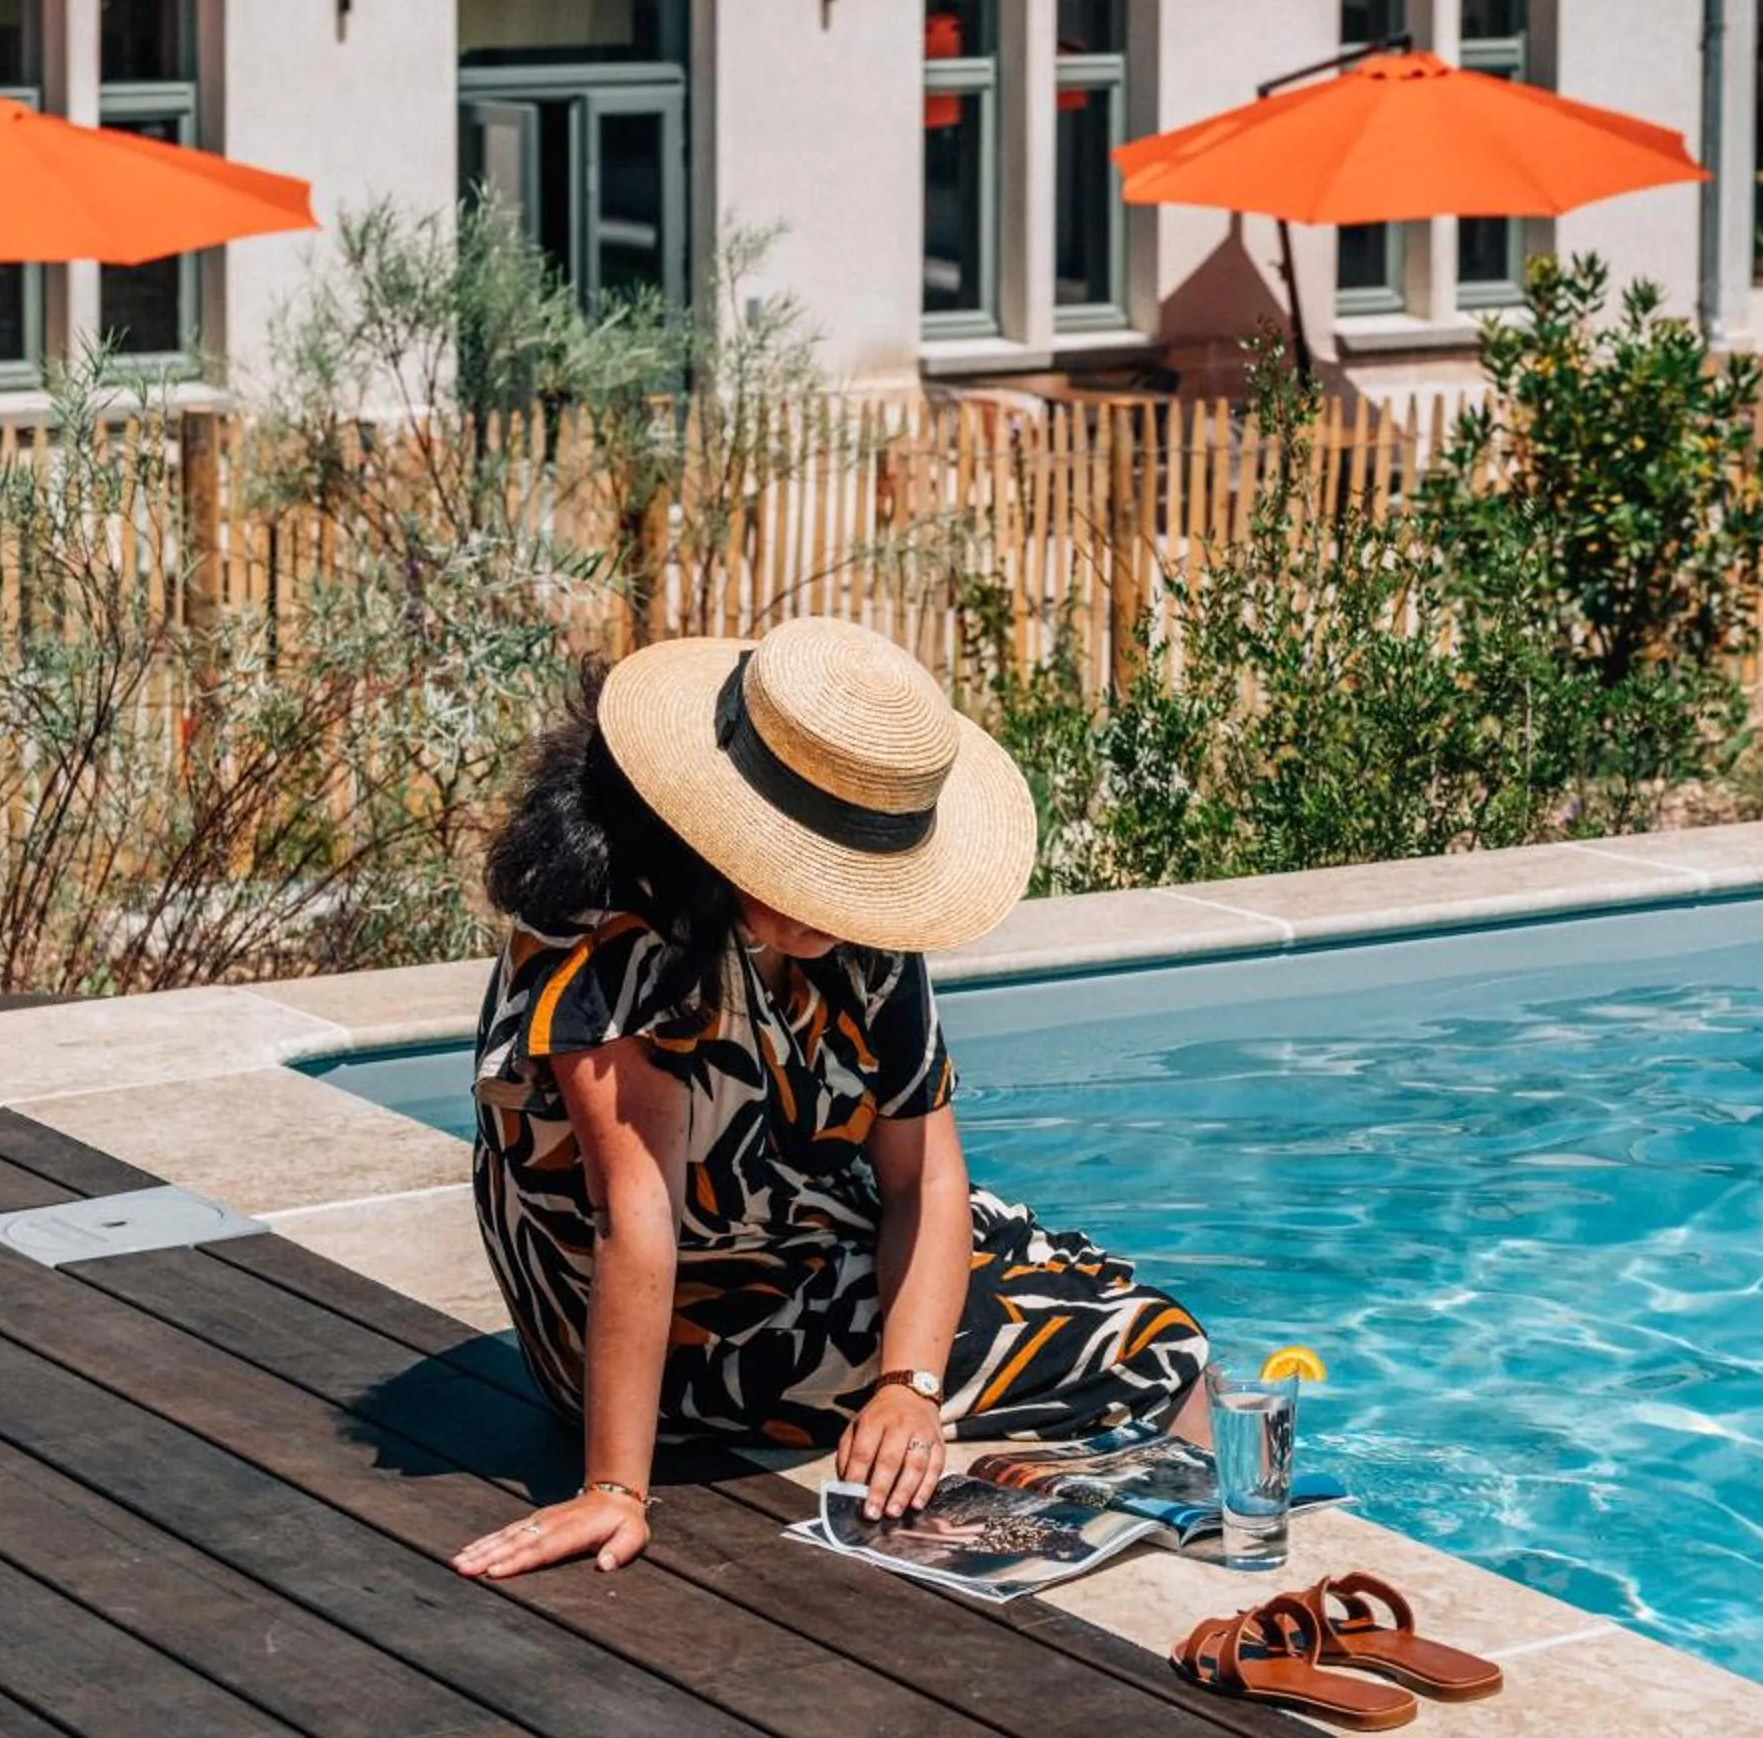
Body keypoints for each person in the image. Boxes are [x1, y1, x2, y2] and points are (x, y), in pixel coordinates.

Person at [450, 618, 1212, 1581]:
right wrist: (613, 1490)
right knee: (1154, 1346)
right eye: (812, 863)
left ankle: (1145, 1537)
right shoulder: (611, 930)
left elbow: (927, 1177)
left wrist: (911, 1386)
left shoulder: (862, 931)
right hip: (689, 1337)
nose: (833, 900)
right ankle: (1200, 1583)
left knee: (1085, 1280)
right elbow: (632, 1218)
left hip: (799, 1247)